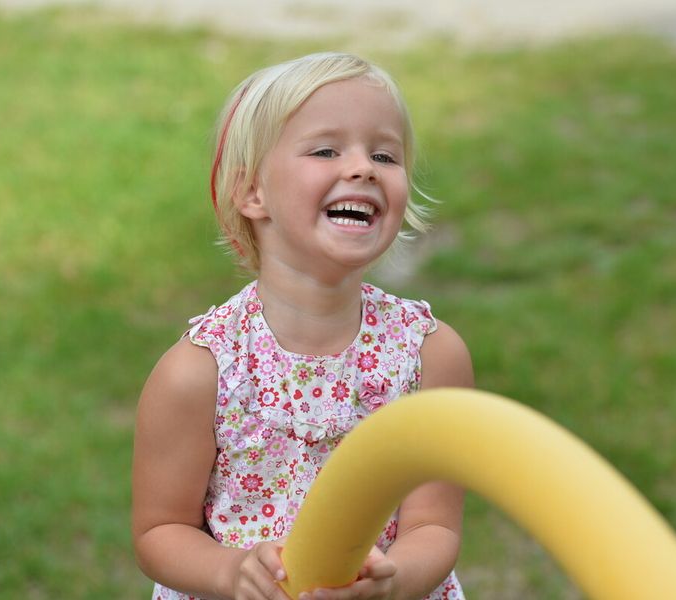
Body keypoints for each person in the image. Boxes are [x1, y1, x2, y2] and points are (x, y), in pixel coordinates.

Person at [132, 52, 474, 600]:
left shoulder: (429, 356)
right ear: (252, 193)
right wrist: (232, 571)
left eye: (384, 154)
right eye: (325, 150)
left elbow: (433, 525)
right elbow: (160, 531)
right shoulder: (200, 372)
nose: (362, 167)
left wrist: (395, 582)